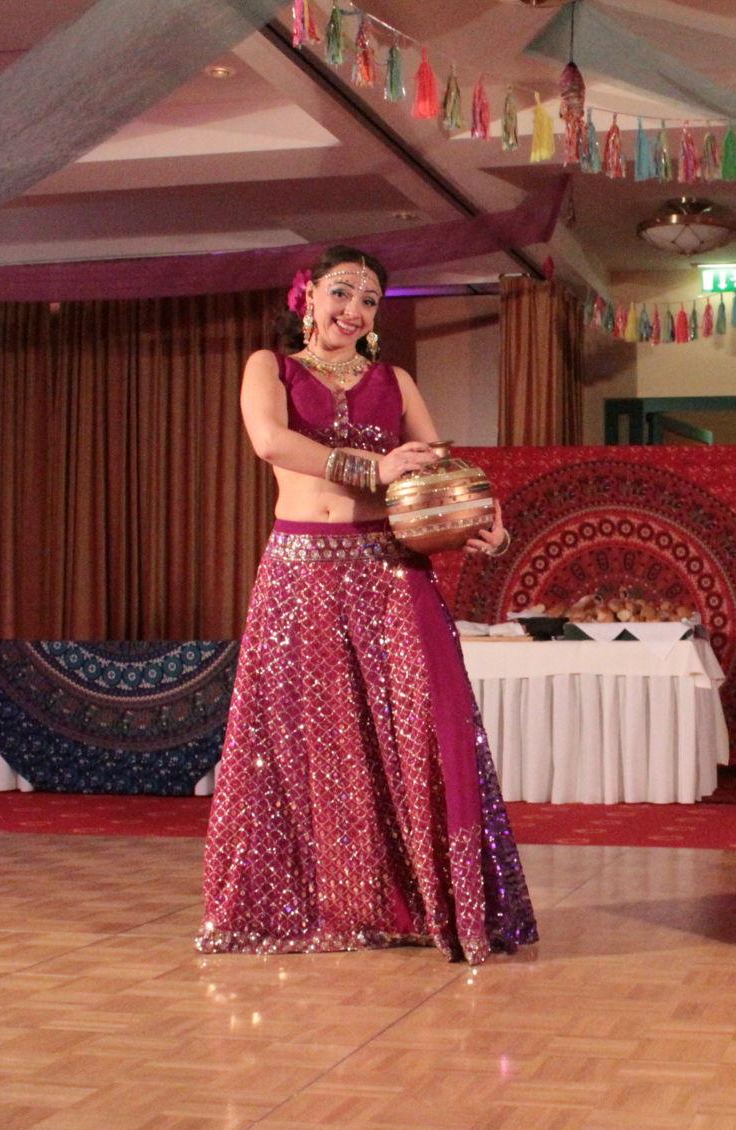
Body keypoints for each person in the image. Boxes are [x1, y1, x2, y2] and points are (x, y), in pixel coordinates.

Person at [198, 246, 536, 963]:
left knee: (427, 728)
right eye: (341, 292)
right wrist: (373, 467)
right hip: (300, 574)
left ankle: (438, 905)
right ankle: (323, 904)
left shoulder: (395, 380)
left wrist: (481, 519)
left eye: (369, 300)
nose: (353, 310)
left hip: (392, 571)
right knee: (304, 740)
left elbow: (439, 467)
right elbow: (270, 442)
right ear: (307, 296)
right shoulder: (270, 367)